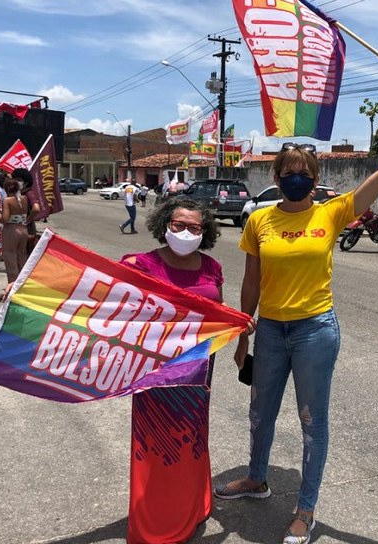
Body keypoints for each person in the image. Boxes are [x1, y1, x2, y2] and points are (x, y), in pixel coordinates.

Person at [214, 85, 378, 544]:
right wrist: (242, 336)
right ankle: (257, 479)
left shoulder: (333, 213)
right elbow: (249, 283)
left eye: (304, 171)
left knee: (310, 420)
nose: (296, 177)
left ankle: (305, 509)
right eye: (288, 171)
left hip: (314, 332)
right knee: (260, 412)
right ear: (277, 177)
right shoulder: (259, 220)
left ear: (314, 176)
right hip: (270, 331)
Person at [119, 197, 227, 543]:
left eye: (194, 227)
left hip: (197, 370)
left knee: (191, 437)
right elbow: (91, 294)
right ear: (164, 224)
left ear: (204, 231)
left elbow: (218, 310)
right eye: (178, 225)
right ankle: (157, 520)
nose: (185, 232)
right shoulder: (140, 264)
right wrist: (28, 288)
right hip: (155, 372)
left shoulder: (211, 267)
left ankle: (192, 506)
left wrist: (238, 325)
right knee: (156, 444)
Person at [0, 176, 28, 287]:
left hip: (11, 230)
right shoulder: (24, 198)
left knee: (10, 258)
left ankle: (12, 286)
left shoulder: (7, 200)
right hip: (23, 229)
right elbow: (17, 214)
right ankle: (22, 285)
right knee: (21, 257)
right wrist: (2, 212)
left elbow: (5, 219)